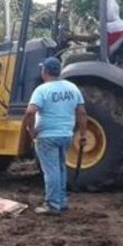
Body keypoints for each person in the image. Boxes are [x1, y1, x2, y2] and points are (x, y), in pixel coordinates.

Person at [23, 57, 87, 215]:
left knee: (51, 171)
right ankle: (62, 202)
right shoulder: (72, 88)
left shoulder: (42, 90)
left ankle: (52, 205)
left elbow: (30, 112)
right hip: (66, 135)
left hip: (47, 136)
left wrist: (31, 130)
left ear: (44, 71)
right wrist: (83, 134)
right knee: (61, 168)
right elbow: (82, 112)